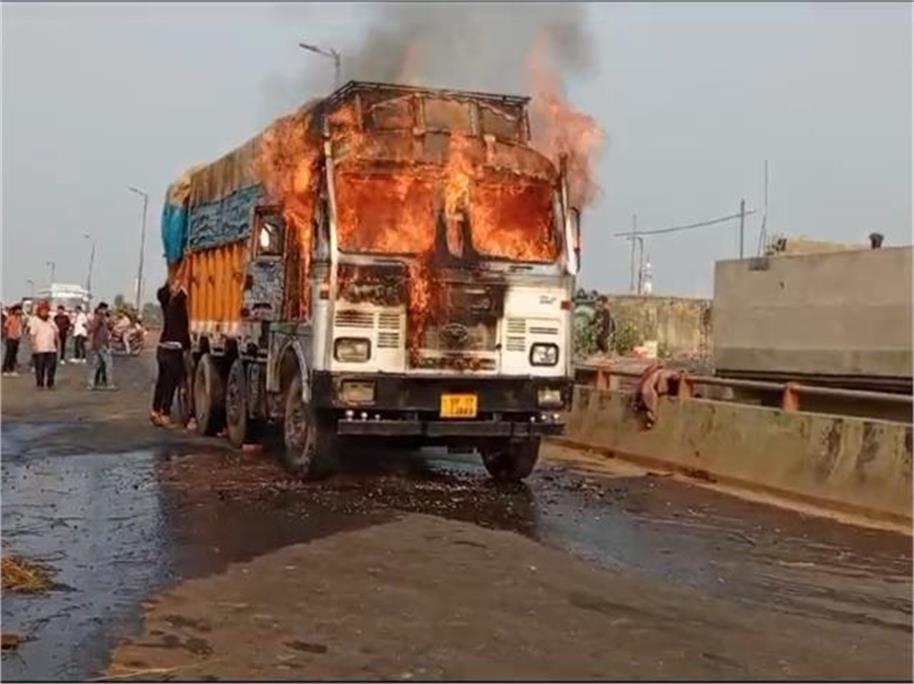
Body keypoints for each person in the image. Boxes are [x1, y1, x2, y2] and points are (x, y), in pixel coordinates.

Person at [151, 264, 191, 427]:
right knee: (171, 383)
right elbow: (183, 290)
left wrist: (171, 279)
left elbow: (163, 291)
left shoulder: (165, 302)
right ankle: (165, 413)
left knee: (162, 381)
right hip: (174, 349)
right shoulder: (179, 302)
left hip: (162, 347)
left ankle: (155, 410)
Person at [29, 301, 60, 389]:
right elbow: (32, 335)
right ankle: (40, 384)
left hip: (51, 348)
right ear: (39, 311)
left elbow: (56, 332)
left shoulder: (50, 320)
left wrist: (58, 343)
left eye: (46, 310)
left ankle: (50, 383)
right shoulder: (35, 320)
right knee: (40, 367)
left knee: (52, 367)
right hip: (40, 348)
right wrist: (33, 346)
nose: (44, 312)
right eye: (43, 310)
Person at [87, 302, 116, 390]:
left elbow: (110, 326)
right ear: (101, 309)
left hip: (98, 344)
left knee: (96, 365)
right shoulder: (99, 317)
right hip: (101, 344)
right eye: (105, 309)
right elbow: (92, 328)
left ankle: (91, 384)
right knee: (108, 364)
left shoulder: (102, 318)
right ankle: (109, 384)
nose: (105, 311)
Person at [2, 304, 24, 377]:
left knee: (14, 355)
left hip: (16, 338)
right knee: (9, 354)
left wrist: (19, 336)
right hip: (10, 338)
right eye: (18, 310)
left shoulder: (19, 319)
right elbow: (5, 327)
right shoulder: (11, 318)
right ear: (15, 311)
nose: (19, 311)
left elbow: (20, 328)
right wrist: (5, 336)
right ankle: (5, 369)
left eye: (20, 310)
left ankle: (11, 369)